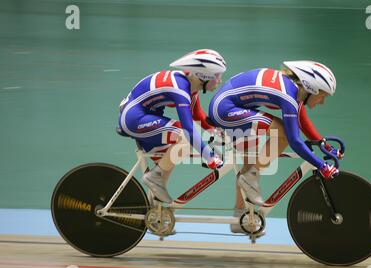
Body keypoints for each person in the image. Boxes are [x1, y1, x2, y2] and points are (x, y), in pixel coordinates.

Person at [207, 60, 344, 232]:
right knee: (283, 135)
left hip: (231, 107)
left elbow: (301, 119)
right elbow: (295, 140)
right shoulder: (288, 95)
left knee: (249, 169)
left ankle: (238, 219)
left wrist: (323, 143)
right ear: (312, 88)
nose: (322, 102)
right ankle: (251, 174)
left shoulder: (294, 91)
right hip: (225, 110)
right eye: (323, 96)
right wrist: (322, 165)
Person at [118, 49, 227, 203]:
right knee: (184, 138)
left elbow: (197, 115)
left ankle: (155, 214)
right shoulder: (180, 89)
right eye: (217, 75)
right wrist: (209, 157)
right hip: (134, 119)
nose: (219, 80)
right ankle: (153, 177)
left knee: (167, 162)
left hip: (145, 118)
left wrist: (215, 131)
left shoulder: (190, 86)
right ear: (203, 75)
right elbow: (188, 129)